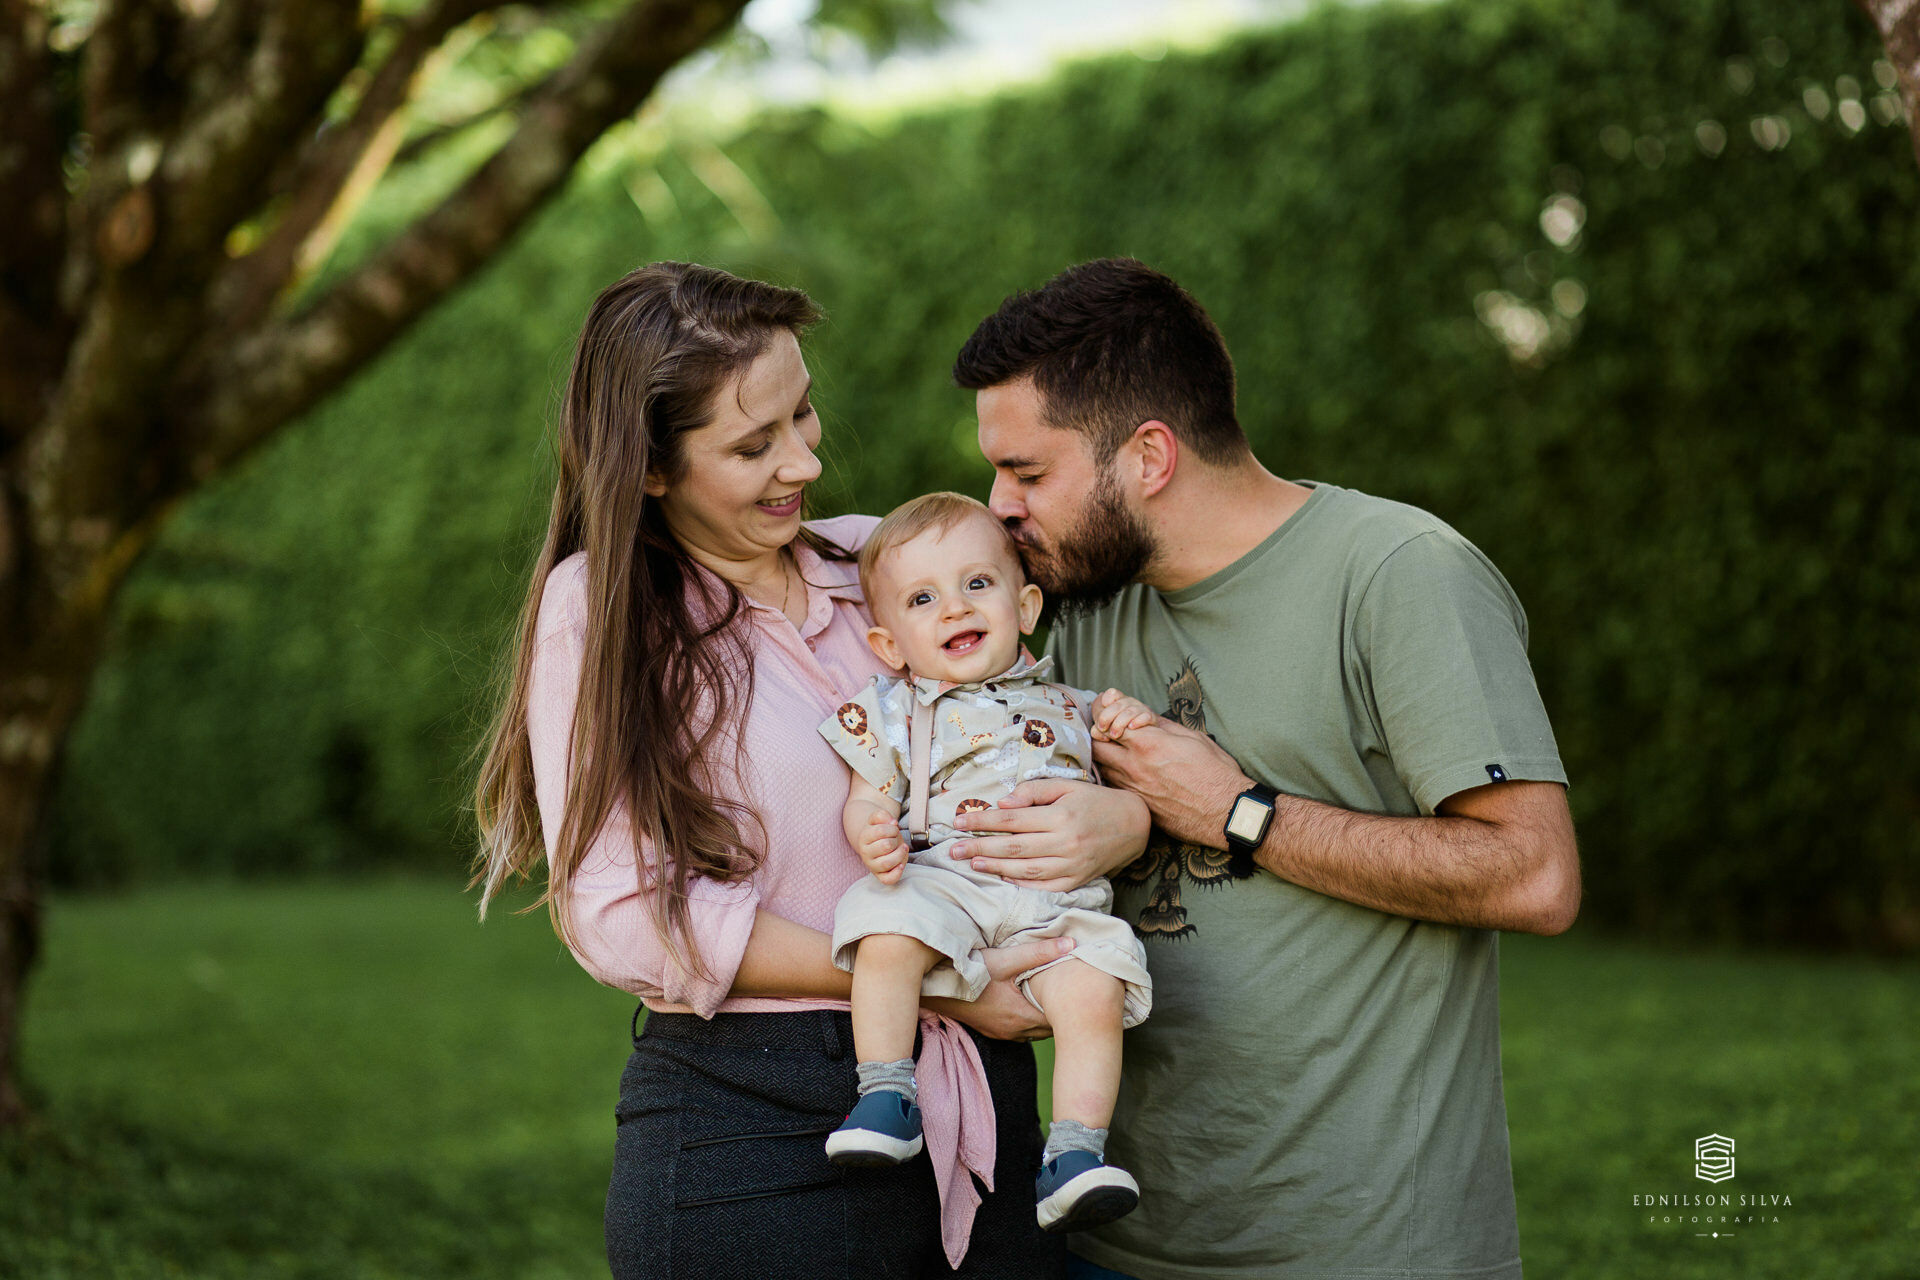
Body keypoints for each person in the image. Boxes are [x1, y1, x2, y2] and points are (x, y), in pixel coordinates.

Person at [472, 262, 1148, 1279]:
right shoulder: (604, 613)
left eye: (804, 416)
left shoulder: (887, 571)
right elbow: (617, 909)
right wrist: (941, 978)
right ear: (651, 467)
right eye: (753, 443)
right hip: (759, 1137)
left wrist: (1122, 820)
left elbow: (1041, 721)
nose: (802, 463)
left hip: (986, 1118)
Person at [946, 258, 1582, 1280]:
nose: (1000, 506)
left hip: (1369, 1249)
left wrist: (1239, 812)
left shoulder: (1397, 573)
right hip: (1113, 1242)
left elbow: (1536, 876)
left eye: (1027, 473)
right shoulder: (1087, 607)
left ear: (1148, 455)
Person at [815, 491, 1156, 1233]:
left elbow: (1134, 772)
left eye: (978, 585)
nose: (954, 609)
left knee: (1094, 989)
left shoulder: (1072, 703)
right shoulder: (893, 708)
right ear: (890, 644)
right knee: (885, 926)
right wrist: (873, 829)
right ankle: (886, 1092)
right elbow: (868, 795)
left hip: (1057, 904)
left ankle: (1075, 1152)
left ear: (1025, 605)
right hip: (948, 884)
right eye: (923, 598)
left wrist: (1129, 725)